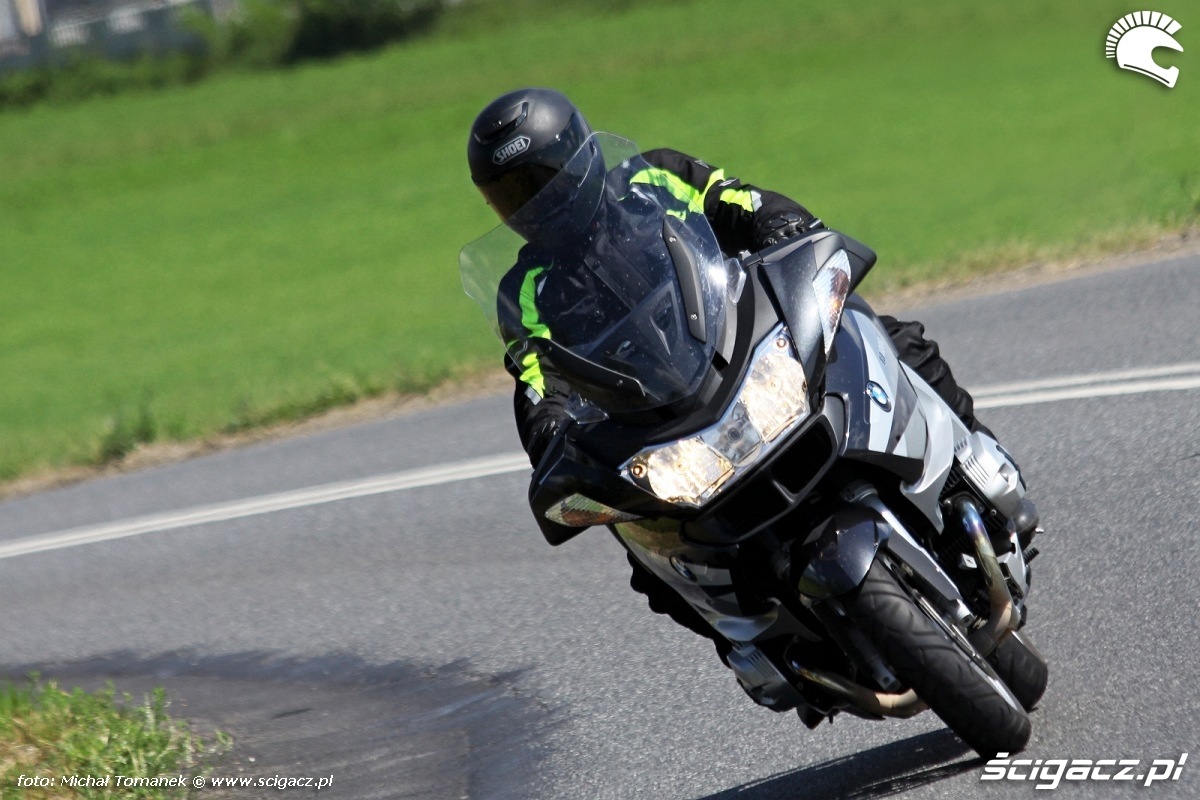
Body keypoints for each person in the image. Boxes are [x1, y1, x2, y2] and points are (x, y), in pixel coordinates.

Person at [466, 86, 1023, 658]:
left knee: (881, 331)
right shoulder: (524, 291)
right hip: (656, 419)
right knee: (644, 548)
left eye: (545, 180)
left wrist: (785, 226)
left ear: (580, 154)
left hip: (745, 343)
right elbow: (535, 376)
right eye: (514, 195)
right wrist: (549, 429)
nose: (536, 203)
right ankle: (758, 651)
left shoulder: (653, 178)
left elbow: (741, 201)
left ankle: (978, 466)